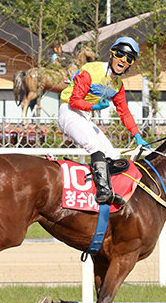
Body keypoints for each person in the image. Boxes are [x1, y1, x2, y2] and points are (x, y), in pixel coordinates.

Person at [58, 36, 150, 206]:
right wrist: (94, 107)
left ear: (130, 64)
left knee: (113, 155)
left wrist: (137, 135)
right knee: (95, 147)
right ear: (112, 54)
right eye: (120, 54)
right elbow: (74, 101)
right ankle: (102, 193)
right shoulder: (91, 70)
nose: (123, 60)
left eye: (128, 58)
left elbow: (125, 113)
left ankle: (111, 190)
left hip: (84, 117)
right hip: (69, 112)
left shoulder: (118, 85)